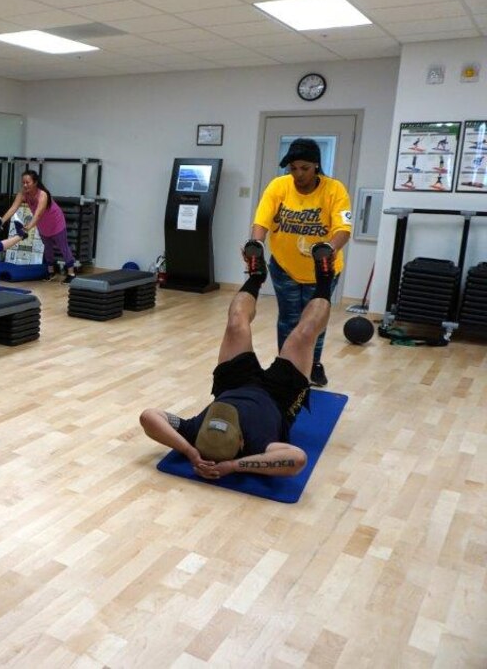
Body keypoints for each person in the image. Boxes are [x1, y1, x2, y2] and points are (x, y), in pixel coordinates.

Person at [138, 242, 337, 480]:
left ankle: (256, 276)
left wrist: (190, 452)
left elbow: (148, 417)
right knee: (305, 332)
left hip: (232, 384)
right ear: (242, 442)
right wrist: (235, 466)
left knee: (235, 321)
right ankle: (325, 279)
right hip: (279, 397)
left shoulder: (194, 433)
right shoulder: (259, 445)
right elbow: (297, 459)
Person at [250, 138, 351, 387]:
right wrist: (256, 245)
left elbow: (343, 228)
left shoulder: (334, 189)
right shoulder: (279, 186)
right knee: (289, 318)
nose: (298, 174)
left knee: (314, 321)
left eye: (304, 168)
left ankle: (313, 364)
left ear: (316, 165)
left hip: (323, 270)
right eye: (293, 168)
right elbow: (262, 221)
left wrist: (330, 248)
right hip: (285, 267)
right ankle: (287, 365)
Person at [0, 169, 76, 283]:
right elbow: (13, 208)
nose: (25, 185)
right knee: (48, 248)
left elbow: (38, 214)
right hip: (43, 225)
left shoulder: (43, 195)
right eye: (23, 182)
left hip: (56, 223)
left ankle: (71, 273)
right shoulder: (22, 194)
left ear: (35, 182)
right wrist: (1, 221)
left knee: (63, 247)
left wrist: (27, 228)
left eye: (28, 182)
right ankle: (51, 273)